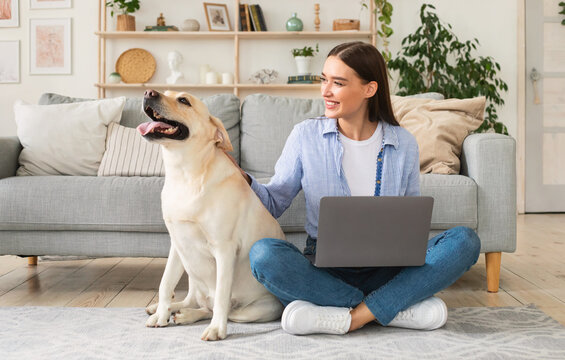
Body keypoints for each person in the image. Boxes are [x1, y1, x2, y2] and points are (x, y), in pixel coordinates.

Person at [231, 41, 481, 336]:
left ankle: (348, 315)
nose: (325, 91)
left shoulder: (403, 143)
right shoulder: (305, 136)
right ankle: (391, 308)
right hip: (326, 270)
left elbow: (410, 219)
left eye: (338, 83)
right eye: (324, 80)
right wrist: (237, 174)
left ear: (369, 89)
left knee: (465, 241)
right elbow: (273, 202)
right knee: (263, 255)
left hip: (389, 268)